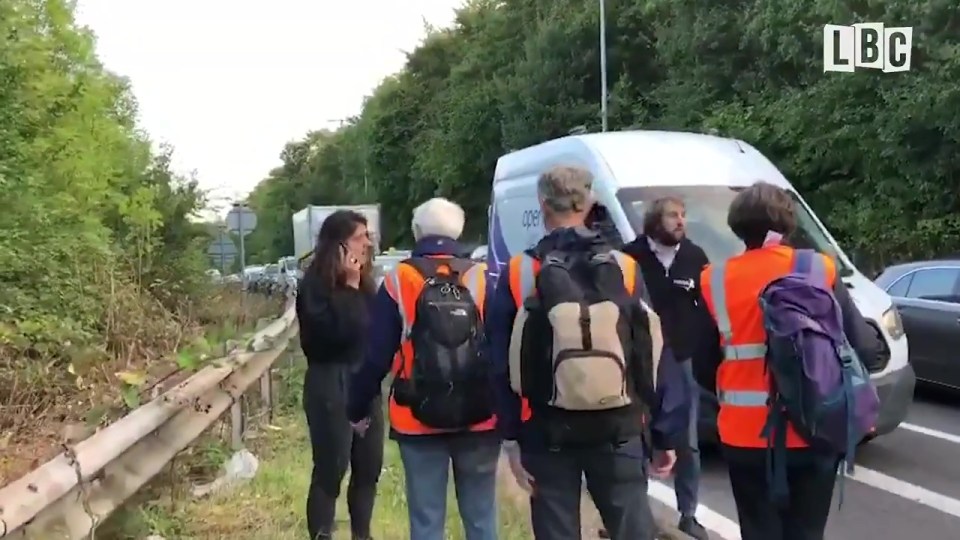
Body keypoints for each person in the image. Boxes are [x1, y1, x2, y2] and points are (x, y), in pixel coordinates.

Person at [487, 165, 691, 540]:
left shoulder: (520, 271)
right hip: (621, 425)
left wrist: (511, 438)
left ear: (542, 204)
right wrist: (665, 435)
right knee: (631, 528)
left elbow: (499, 362)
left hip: (545, 429)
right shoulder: (625, 267)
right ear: (590, 202)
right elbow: (654, 353)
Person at [698, 182, 880, 540]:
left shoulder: (713, 279)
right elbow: (864, 347)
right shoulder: (818, 268)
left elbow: (701, 363)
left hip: (744, 433)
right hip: (815, 425)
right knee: (807, 533)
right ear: (787, 224)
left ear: (736, 226)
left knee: (758, 531)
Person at [348, 198, 500, 540]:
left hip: (416, 417)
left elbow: (375, 357)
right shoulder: (481, 277)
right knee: (481, 517)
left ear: (417, 233)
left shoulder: (399, 280)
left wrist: (357, 409)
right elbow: (502, 349)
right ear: (459, 232)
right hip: (480, 416)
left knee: (427, 519)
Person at [623, 197, 710, 540]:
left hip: (682, 359)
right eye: (673, 215)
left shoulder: (694, 257)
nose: (680, 221)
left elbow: (707, 307)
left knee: (687, 441)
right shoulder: (630, 257)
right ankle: (636, 514)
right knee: (637, 437)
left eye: (683, 215)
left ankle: (688, 514)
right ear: (655, 221)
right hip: (640, 360)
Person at [295, 210, 384, 540]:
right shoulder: (315, 286)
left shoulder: (366, 285)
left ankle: (363, 534)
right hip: (330, 380)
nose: (367, 244)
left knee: (369, 466)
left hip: (363, 382)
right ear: (339, 245)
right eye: (360, 237)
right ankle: (322, 534)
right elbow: (335, 335)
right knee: (332, 468)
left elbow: (374, 330)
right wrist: (348, 287)